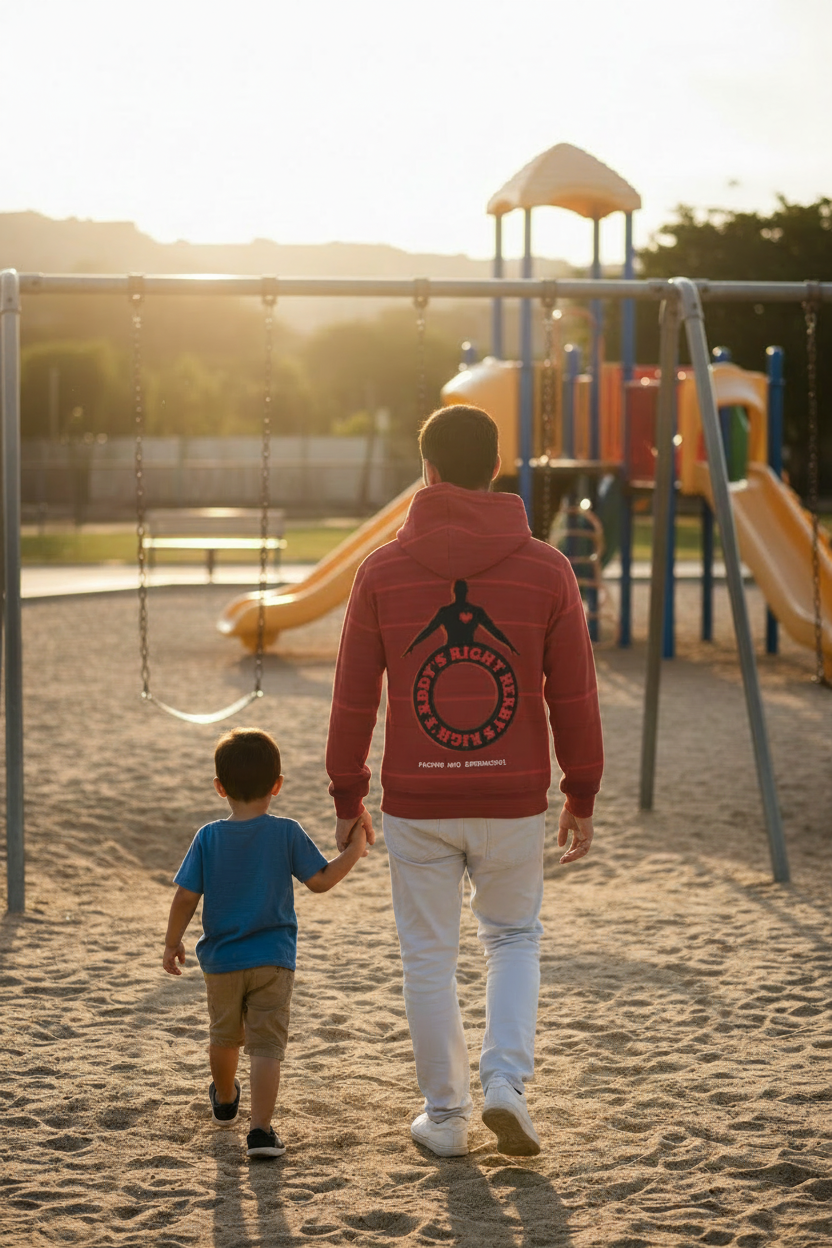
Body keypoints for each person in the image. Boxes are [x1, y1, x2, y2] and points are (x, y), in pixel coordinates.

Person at [326, 404, 603, 1158]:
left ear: (431, 471)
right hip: (511, 796)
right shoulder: (548, 569)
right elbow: (572, 693)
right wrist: (581, 790)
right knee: (513, 937)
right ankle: (506, 1084)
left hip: (419, 799)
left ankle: (446, 1117)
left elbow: (355, 696)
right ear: (494, 473)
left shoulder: (381, 570)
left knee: (428, 955)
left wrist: (347, 795)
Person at [163, 727, 367, 1159]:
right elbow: (321, 880)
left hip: (220, 960)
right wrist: (356, 848)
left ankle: (223, 1100)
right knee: (266, 1046)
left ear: (220, 788)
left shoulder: (208, 837)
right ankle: (260, 1131)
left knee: (224, 1036)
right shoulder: (286, 832)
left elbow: (185, 895)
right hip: (274, 961)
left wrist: (172, 941)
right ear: (277, 784)